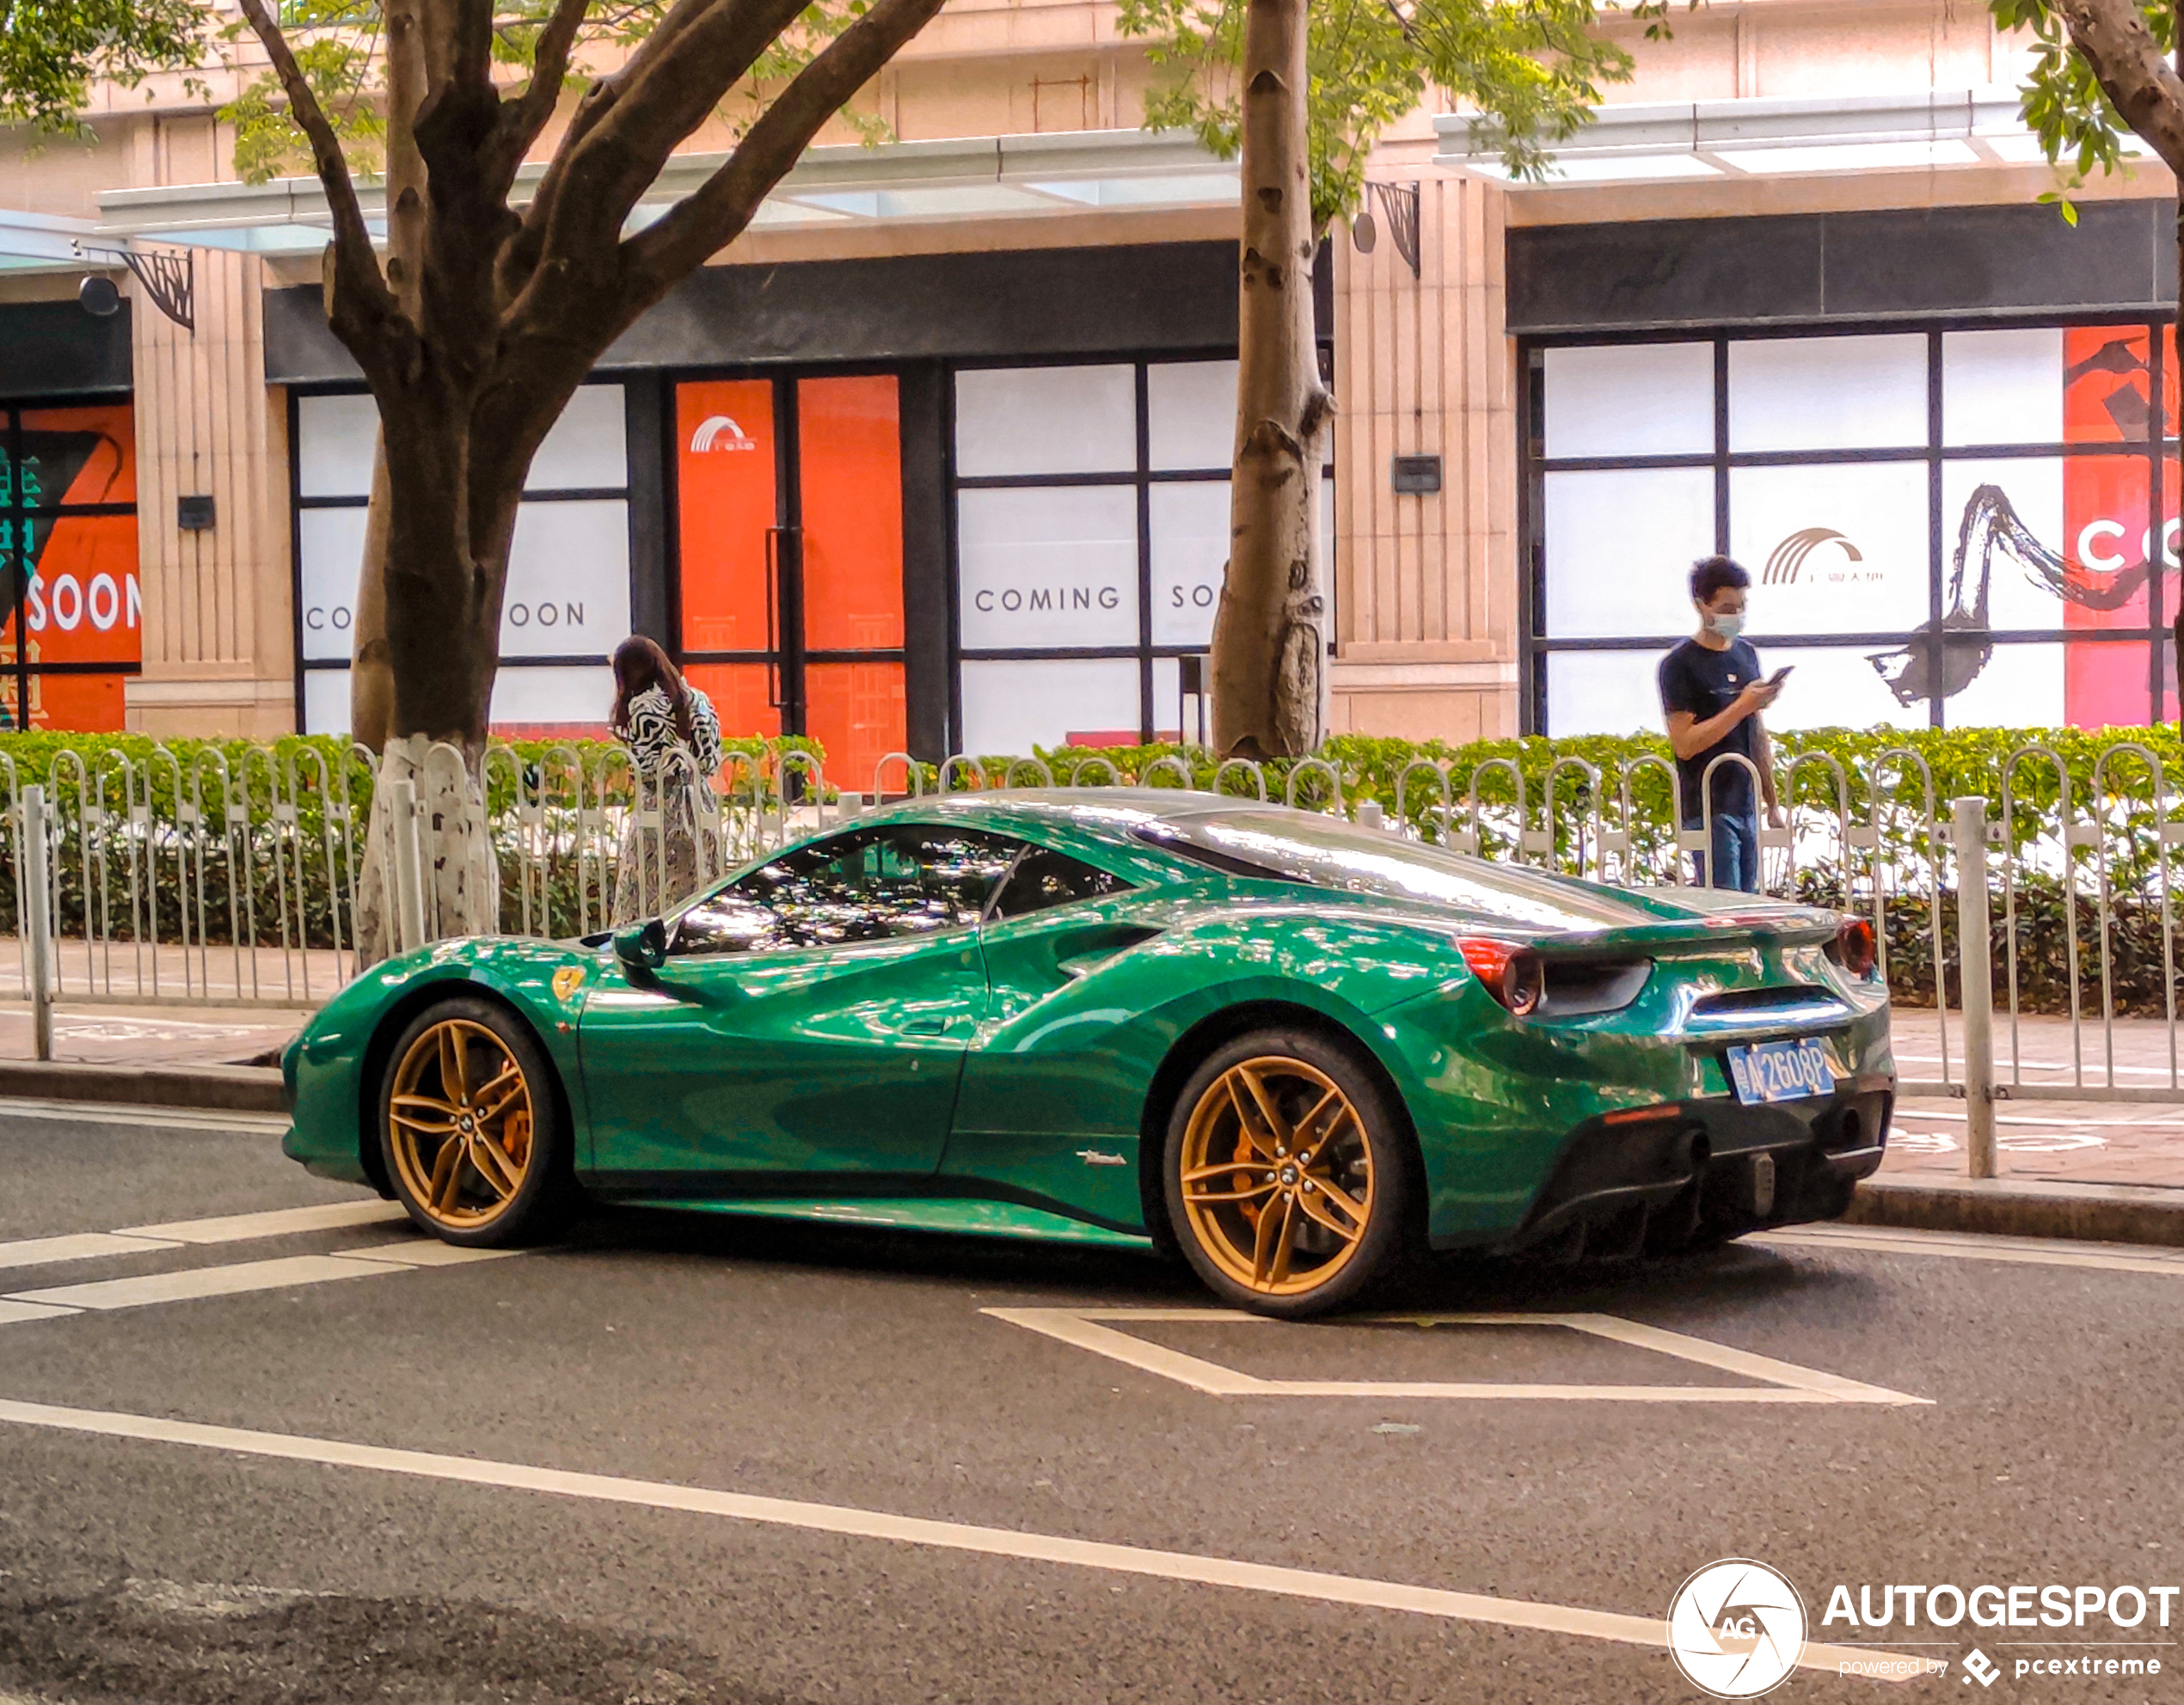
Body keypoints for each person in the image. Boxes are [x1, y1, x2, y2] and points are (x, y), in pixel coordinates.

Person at [1658, 556, 1782, 892]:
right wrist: (1741, 705)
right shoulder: (1679, 665)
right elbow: (1684, 743)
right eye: (1727, 607)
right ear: (1701, 605)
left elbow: (1756, 730)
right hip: (1708, 804)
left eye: (1741, 606)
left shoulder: (1745, 653)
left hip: (1746, 800)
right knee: (1724, 903)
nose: (1736, 615)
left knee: (1751, 901)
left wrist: (1771, 800)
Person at [609, 635, 724, 923]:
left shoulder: (642, 707)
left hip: (659, 807)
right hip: (700, 804)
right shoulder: (699, 699)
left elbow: (647, 768)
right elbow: (711, 760)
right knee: (696, 890)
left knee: (649, 893)